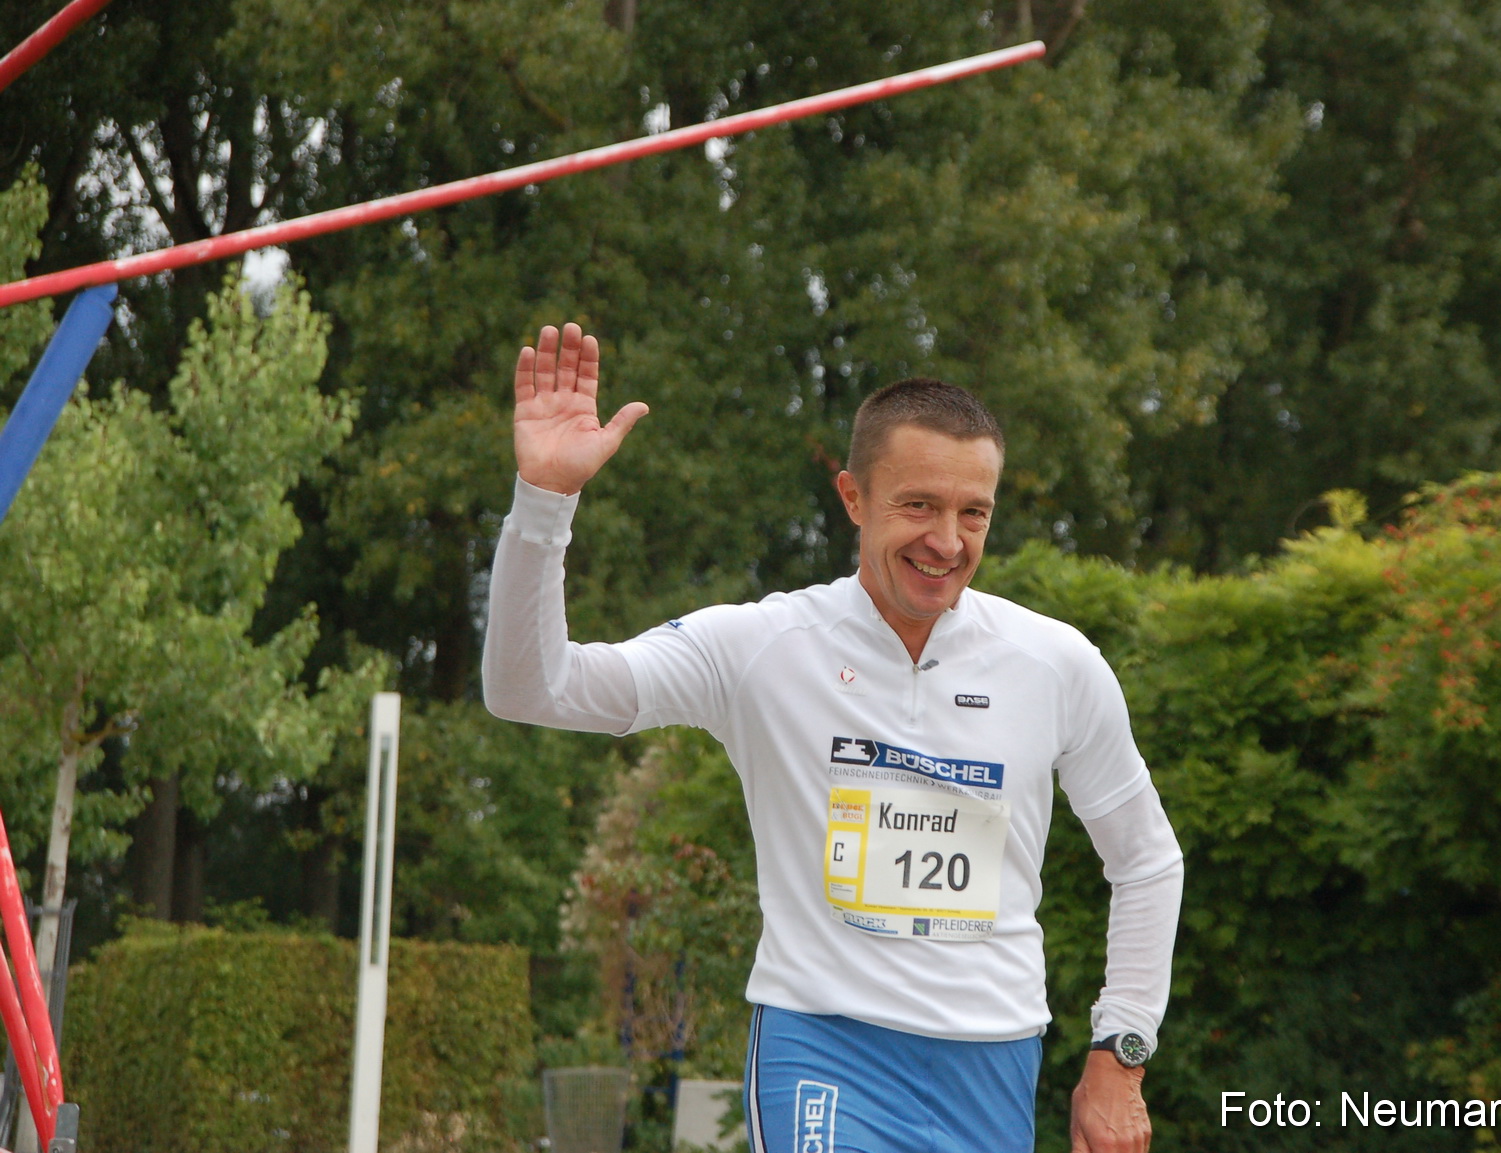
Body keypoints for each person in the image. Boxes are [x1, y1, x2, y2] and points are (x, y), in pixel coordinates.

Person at [484, 323, 1184, 1153]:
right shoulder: (760, 647)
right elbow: (535, 688)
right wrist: (544, 503)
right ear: (853, 498)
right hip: (824, 1049)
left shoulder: (1057, 663)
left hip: (993, 1066)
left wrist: (1121, 1052)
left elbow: (1145, 859)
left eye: (973, 513)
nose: (947, 542)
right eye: (917, 505)